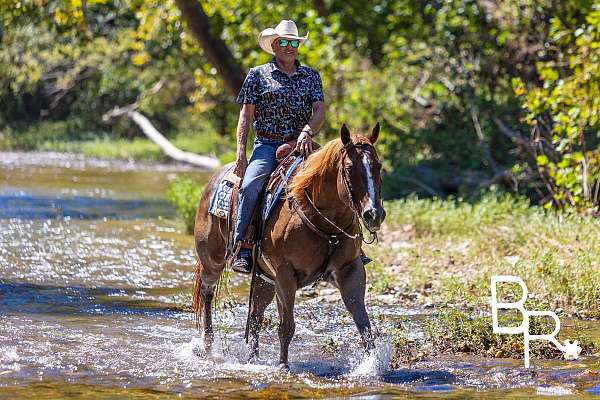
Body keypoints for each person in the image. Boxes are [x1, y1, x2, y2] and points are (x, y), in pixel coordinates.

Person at [231, 20, 325, 273]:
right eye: (283, 42)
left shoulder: (311, 76)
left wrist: (307, 130)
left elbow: (319, 111)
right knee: (250, 186)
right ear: (273, 45)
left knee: (337, 177)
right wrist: (241, 152)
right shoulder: (257, 75)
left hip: (301, 142)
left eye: (293, 42)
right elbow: (245, 116)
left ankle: (349, 247)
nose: (289, 46)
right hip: (267, 144)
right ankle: (244, 246)